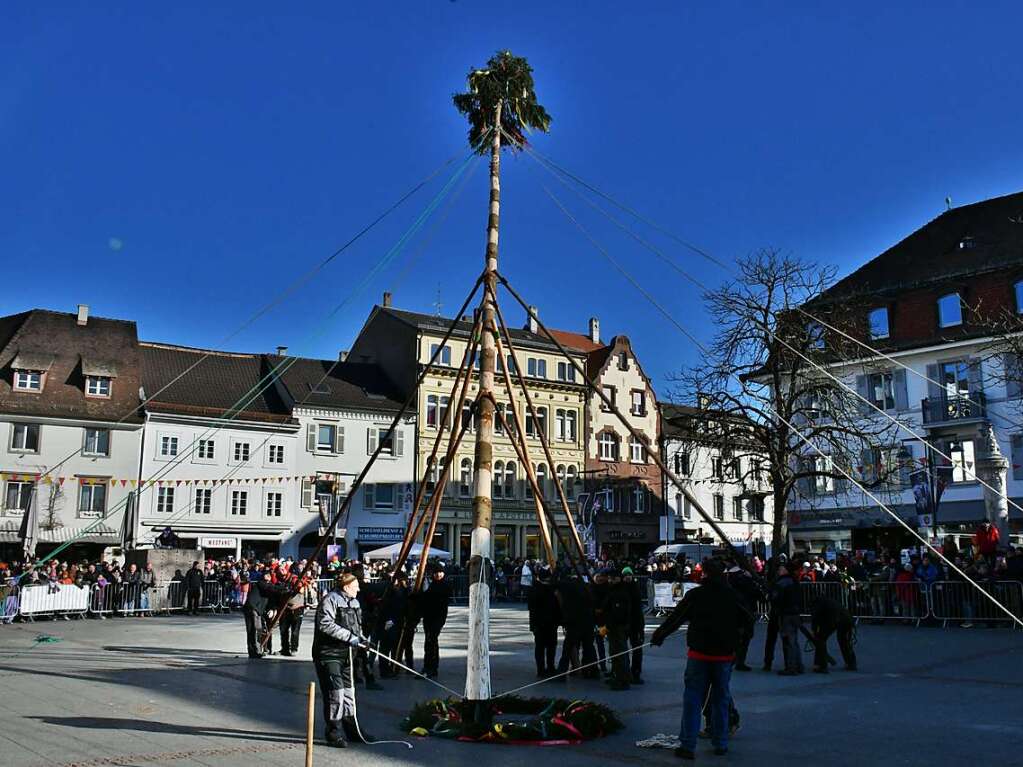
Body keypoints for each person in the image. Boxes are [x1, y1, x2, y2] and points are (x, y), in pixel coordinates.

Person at [651, 558, 749, 760]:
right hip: (723, 655)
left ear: (704, 574)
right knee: (721, 698)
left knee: (693, 698)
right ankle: (720, 742)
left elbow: (677, 618)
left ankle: (688, 744)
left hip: (699, 653)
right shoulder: (733, 596)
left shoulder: (696, 595)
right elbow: (748, 620)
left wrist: (660, 634)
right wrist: (737, 645)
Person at [312, 572, 372, 748]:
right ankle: (333, 732)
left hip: (347, 655)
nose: (359, 589)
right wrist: (349, 637)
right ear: (346, 587)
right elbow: (325, 623)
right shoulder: (330, 600)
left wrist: (362, 639)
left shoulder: (354, 602)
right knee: (335, 693)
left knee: (348, 693)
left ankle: (353, 731)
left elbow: (356, 626)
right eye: (355, 586)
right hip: (328, 653)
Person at [243, 570, 289, 658]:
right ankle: (255, 651)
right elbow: (270, 588)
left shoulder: (266, 585)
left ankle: (256, 650)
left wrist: (273, 608)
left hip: (255, 609)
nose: (268, 577)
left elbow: (272, 596)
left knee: (256, 630)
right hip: (253, 608)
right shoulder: (261, 583)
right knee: (254, 630)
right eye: (267, 575)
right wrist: (284, 588)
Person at [419, 562, 452, 678]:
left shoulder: (445, 585)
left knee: (431, 641)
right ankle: (429, 666)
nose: (438, 575)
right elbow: (426, 598)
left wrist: (424, 596)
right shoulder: (432, 584)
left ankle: (431, 667)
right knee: (430, 642)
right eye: (436, 573)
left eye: (440, 572)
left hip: (438, 617)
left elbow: (434, 597)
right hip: (428, 617)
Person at [527, 565, 560, 678]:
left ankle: (548, 667)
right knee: (542, 647)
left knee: (548, 646)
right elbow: (533, 608)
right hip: (542, 623)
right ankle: (543, 668)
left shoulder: (540, 589)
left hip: (548, 623)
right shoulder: (540, 590)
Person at [810, 596, 857, 672]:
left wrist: (814, 630)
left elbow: (815, 617)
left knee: (820, 639)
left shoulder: (817, 605)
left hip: (835, 619)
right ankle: (851, 663)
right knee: (844, 641)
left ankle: (821, 665)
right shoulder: (828, 601)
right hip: (846, 618)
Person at [771, 563, 803, 676]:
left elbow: (775, 597)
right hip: (795, 613)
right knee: (794, 641)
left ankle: (791, 667)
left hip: (786, 614)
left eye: (781, 569)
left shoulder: (782, 583)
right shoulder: (794, 582)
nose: (779, 571)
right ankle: (798, 665)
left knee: (788, 641)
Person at [622, 566, 646, 684]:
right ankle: (623, 671)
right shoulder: (620, 589)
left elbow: (638, 610)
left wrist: (641, 627)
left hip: (635, 623)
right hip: (624, 623)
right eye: (625, 575)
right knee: (622, 648)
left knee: (636, 648)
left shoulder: (635, 589)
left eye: (629, 575)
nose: (627, 577)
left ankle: (636, 672)